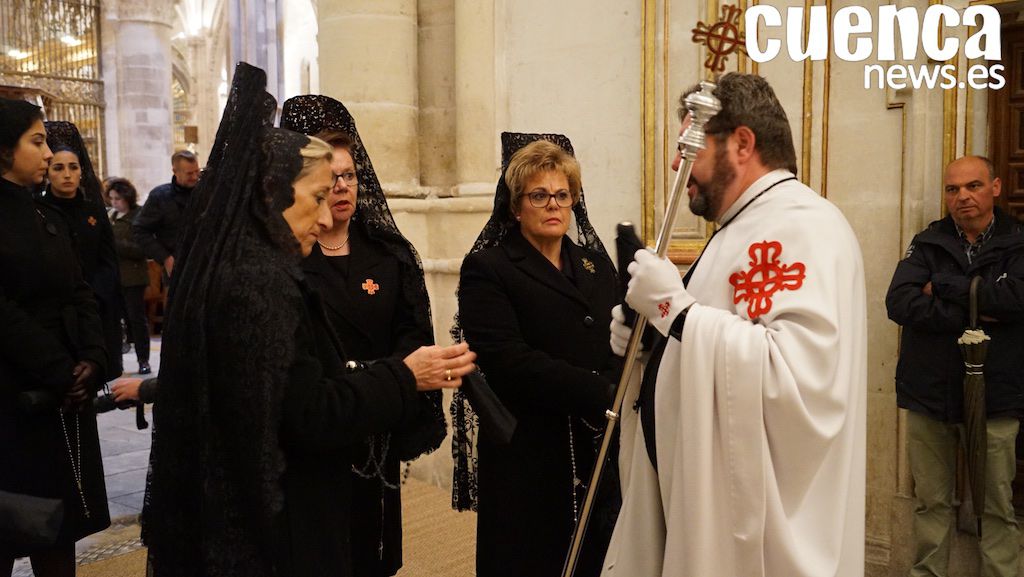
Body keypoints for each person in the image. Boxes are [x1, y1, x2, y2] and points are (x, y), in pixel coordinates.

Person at [141, 62, 475, 577]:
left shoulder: (242, 264)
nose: (326, 213)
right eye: (318, 194)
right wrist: (403, 375)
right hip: (281, 507)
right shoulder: (260, 282)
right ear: (273, 193)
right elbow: (307, 412)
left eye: (346, 180)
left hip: (328, 459)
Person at [603, 73, 867, 577]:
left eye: (690, 147)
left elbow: (797, 379)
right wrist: (650, 341)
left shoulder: (804, 224)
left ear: (742, 144)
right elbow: (710, 336)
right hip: (689, 493)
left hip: (758, 535)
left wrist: (673, 311)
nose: (676, 164)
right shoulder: (741, 227)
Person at [280, 94, 445, 577]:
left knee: (373, 549)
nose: (341, 187)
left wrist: (387, 380)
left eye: (349, 175)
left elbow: (414, 334)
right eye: (330, 179)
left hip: (377, 423)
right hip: (319, 427)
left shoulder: (389, 253)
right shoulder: (291, 256)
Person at [454, 133, 621, 577]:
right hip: (528, 446)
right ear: (515, 206)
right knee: (530, 557)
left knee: (596, 555)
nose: (553, 205)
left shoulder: (593, 264)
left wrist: (616, 381)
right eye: (539, 196)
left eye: (562, 195)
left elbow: (620, 333)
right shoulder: (489, 268)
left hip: (594, 441)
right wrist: (598, 389)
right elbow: (506, 359)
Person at [886, 155, 1024, 577]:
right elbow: (900, 302)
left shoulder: (1018, 242)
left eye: (973, 186)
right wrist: (976, 309)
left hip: (997, 396)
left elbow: (1016, 301)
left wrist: (943, 286)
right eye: (953, 189)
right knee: (931, 503)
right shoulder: (928, 242)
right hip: (930, 394)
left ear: (995, 187)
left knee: (997, 505)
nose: (962, 196)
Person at [0, 98, 110, 577]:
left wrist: (93, 357)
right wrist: (60, 369)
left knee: (58, 528)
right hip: (14, 395)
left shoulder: (45, 214)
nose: (48, 154)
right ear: (5, 149)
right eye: (37, 141)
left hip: (62, 396)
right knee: (10, 522)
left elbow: (80, 289)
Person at [40, 121, 124, 381]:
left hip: (95, 307)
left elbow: (108, 260)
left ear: (81, 171)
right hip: (56, 311)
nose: (67, 174)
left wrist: (95, 295)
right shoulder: (38, 211)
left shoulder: (94, 211)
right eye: (58, 168)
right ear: (48, 173)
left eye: (73, 167)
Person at [107, 178, 152, 374]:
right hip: (113, 276)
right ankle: (116, 361)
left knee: (137, 320)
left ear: (128, 198)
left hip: (133, 276)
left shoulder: (139, 215)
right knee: (115, 320)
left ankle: (143, 360)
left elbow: (142, 248)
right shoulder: (110, 215)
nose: (114, 202)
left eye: (118, 198)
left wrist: (114, 243)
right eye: (111, 198)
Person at [132, 149, 200, 277]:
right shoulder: (160, 196)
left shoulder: (206, 192)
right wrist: (165, 257)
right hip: (178, 267)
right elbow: (140, 230)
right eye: (189, 173)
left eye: (197, 171)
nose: (195, 177)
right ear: (175, 171)